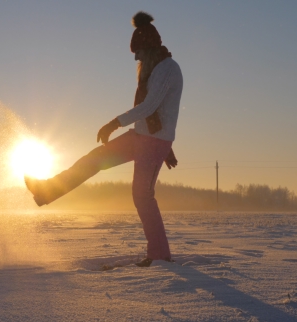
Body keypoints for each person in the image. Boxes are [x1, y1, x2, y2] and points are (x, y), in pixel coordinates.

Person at [25, 11, 183, 267]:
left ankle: (160, 255)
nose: (136, 57)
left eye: (138, 51)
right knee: (94, 159)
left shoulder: (168, 70)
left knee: (142, 196)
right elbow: (155, 112)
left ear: (149, 47)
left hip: (153, 142)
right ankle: (46, 190)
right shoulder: (154, 71)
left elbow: (151, 106)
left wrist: (115, 123)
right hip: (143, 136)